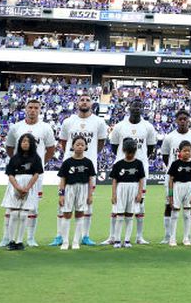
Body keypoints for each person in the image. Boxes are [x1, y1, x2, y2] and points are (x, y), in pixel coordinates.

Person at [0, 98, 56, 248]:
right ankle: (6, 238)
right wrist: (18, 164)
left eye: (36, 108)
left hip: (36, 174)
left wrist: (39, 164)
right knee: (11, 206)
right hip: (18, 174)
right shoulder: (16, 127)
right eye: (30, 107)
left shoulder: (45, 128)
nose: (33, 110)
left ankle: (30, 238)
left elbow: (51, 149)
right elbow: (10, 147)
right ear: (25, 109)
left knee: (33, 206)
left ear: (40, 110)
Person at [53, 92, 108, 247]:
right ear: (77, 103)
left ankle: (85, 235)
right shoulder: (68, 121)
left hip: (88, 167)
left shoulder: (99, 122)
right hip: (69, 167)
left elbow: (100, 143)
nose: (84, 102)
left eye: (87, 100)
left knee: (88, 202)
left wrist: (88, 155)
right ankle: (59, 236)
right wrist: (72, 155)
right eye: (82, 100)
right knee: (63, 202)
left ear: (92, 103)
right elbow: (64, 143)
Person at [106, 99, 158, 245]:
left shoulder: (148, 127)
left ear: (143, 109)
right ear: (129, 108)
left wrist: (138, 161)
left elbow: (151, 148)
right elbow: (114, 146)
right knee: (116, 204)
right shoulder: (120, 126)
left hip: (140, 170)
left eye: (139, 106)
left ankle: (139, 237)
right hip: (121, 170)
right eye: (134, 106)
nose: (137, 108)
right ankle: (112, 236)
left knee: (140, 203)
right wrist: (125, 159)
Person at [159, 110, 191, 247]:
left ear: (188, 120)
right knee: (168, 204)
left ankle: (188, 236)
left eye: (185, 118)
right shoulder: (169, 137)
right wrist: (174, 169)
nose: (183, 121)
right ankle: (168, 235)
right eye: (180, 119)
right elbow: (165, 156)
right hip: (174, 178)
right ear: (176, 120)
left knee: (189, 206)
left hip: (188, 179)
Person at [1, 133, 43, 251]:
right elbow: (10, 174)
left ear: (32, 144)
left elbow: (36, 174)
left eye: (28, 141)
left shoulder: (36, 157)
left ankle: (19, 241)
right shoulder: (15, 158)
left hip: (30, 186)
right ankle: (11, 240)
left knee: (24, 214)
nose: (25, 143)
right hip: (15, 185)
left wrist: (28, 187)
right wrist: (18, 187)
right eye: (23, 141)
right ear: (19, 143)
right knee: (13, 214)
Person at [56, 135, 96, 250]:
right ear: (72, 146)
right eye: (77, 144)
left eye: (82, 145)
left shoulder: (88, 162)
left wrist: (90, 195)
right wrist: (61, 194)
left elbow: (90, 180)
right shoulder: (67, 162)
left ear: (85, 147)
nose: (79, 147)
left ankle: (75, 241)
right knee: (67, 214)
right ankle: (65, 241)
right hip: (69, 189)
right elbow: (62, 180)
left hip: (83, 189)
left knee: (79, 214)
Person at [109, 138, 146, 249]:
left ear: (135, 151)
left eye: (132, 152)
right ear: (124, 150)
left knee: (130, 214)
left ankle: (127, 240)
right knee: (119, 215)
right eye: (128, 152)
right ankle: (117, 240)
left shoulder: (138, 164)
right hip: (121, 188)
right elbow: (114, 180)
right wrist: (114, 194)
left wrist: (140, 193)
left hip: (133, 188)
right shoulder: (118, 164)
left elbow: (141, 179)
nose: (130, 154)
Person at [165, 140, 191, 246]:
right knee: (175, 213)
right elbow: (170, 179)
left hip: (189, 187)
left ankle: (186, 238)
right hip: (177, 187)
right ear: (179, 152)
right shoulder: (175, 164)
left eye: (189, 151)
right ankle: (172, 238)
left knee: (187, 214)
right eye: (185, 151)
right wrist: (170, 195)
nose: (187, 153)